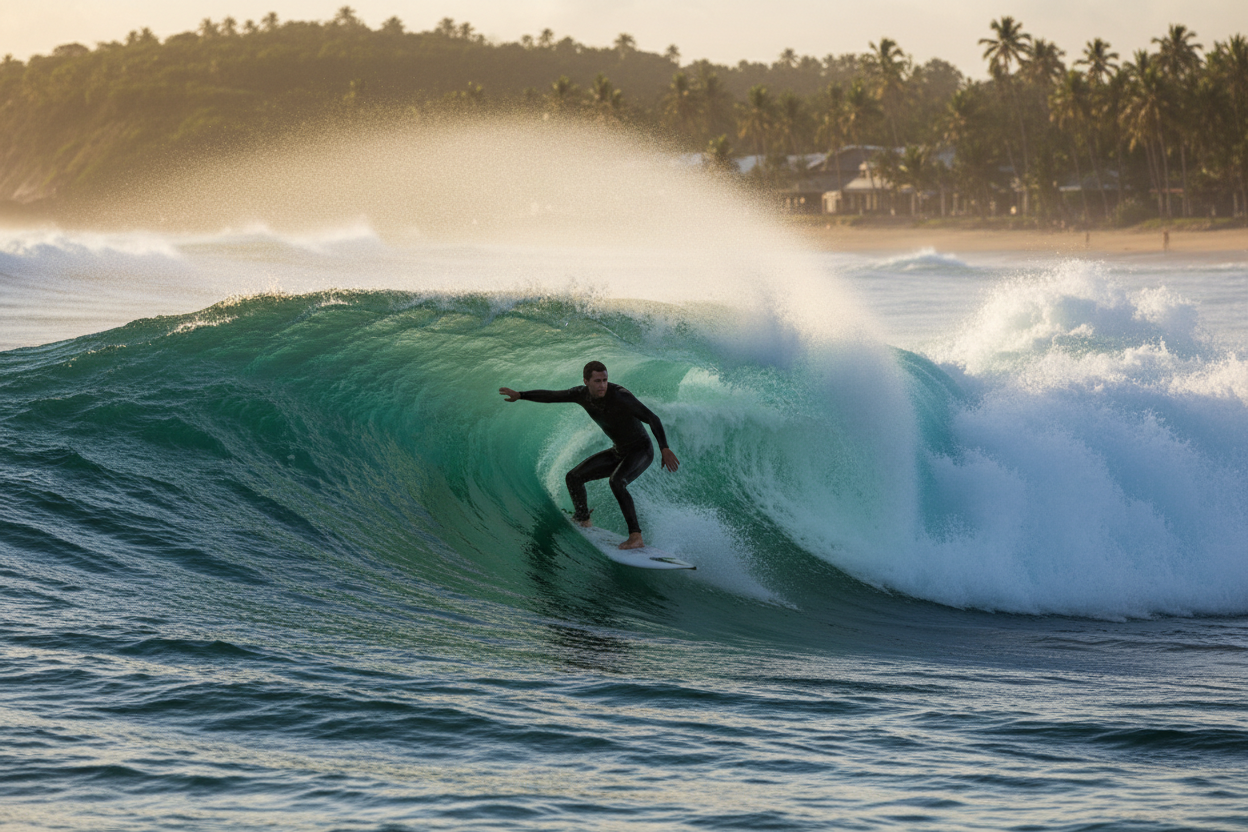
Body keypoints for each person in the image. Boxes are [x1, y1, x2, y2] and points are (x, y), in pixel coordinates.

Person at [500, 361, 679, 550]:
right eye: (597, 381)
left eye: (605, 380)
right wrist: (521, 395)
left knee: (617, 481)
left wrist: (664, 448)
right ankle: (583, 518)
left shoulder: (620, 395)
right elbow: (552, 396)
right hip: (619, 451)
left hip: (641, 450)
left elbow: (652, 418)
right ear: (586, 381)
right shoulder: (581, 395)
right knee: (574, 477)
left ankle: (636, 536)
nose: (602, 385)